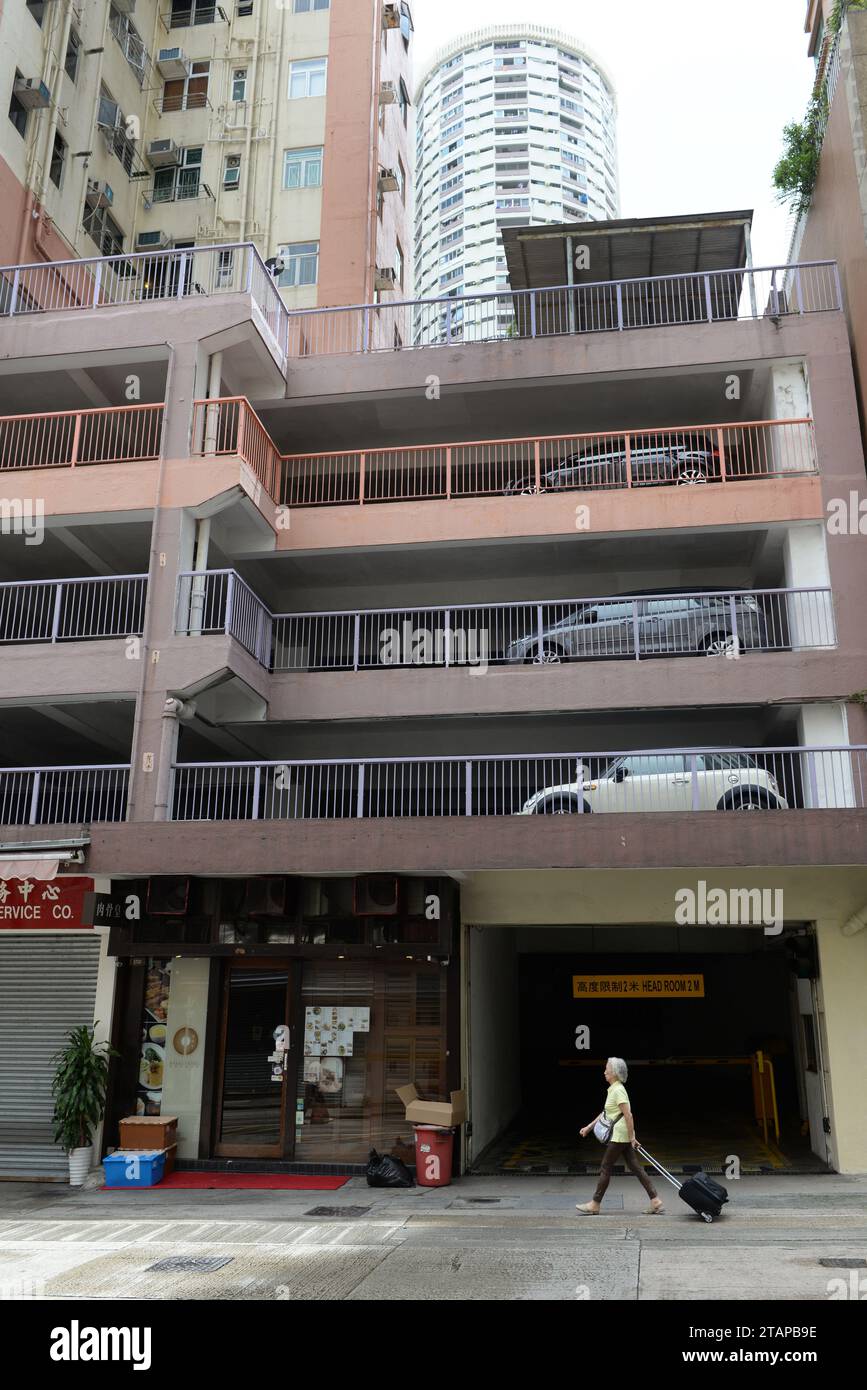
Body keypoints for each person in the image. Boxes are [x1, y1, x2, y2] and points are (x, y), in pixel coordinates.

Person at [576, 1056, 663, 1214]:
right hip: (622, 1135)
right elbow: (606, 1113)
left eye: (607, 1069)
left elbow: (628, 1115)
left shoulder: (619, 1090)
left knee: (605, 1167)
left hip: (619, 1136)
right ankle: (655, 1199)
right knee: (635, 1167)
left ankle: (595, 1204)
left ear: (615, 1073)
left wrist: (632, 1138)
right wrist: (589, 1127)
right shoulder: (613, 1089)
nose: (604, 1072)